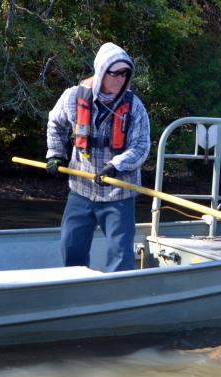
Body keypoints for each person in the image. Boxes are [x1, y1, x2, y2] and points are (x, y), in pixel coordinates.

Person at [45, 42, 150, 272]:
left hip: (118, 191)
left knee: (121, 254)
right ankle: (77, 293)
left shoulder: (135, 107)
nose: (120, 79)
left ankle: (118, 298)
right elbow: (55, 124)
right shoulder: (73, 97)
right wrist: (55, 154)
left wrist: (116, 165)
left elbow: (141, 146)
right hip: (81, 187)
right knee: (71, 246)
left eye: (125, 73)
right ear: (101, 71)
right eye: (115, 73)